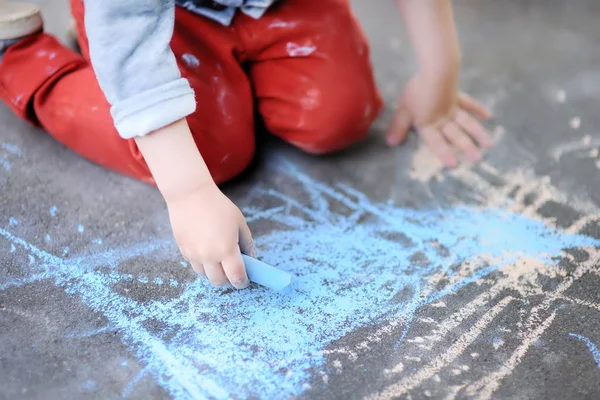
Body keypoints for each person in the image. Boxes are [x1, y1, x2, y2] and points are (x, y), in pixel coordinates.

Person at [0, 0, 493, 289]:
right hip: (148, 15)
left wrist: (440, 69)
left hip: (275, 4)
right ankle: (24, 58)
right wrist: (189, 192)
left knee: (338, 114)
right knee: (213, 153)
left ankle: (221, 75)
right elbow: (126, 28)